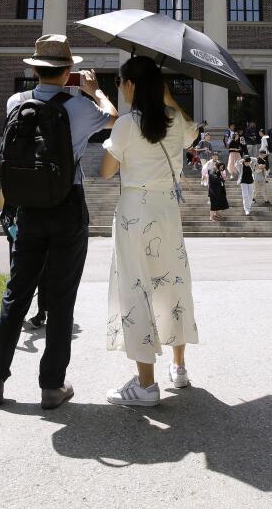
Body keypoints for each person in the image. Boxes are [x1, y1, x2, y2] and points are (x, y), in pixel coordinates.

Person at [0, 34, 117, 411]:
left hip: (27, 208)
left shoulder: (15, 102)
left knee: (16, 292)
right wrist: (95, 90)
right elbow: (114, 119)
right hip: (67, 203)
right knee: (61, 297)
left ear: (34, 69)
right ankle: (52, 386)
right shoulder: (80, 106)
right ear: (68, 71)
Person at [99, 56, 199, 407]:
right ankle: (180, 366)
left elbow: (107, 171)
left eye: (120, 82)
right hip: (167, 211)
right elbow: (192, 134)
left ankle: (145, 385)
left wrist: (115, 148)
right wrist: (170, 98)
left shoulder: (126, 124)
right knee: (172, 282)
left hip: (134, 213)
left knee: (136, 286)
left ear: (130, 86)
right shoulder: (174, 120)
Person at [207, 155, 229, 221]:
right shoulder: (212, 171)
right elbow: (215, 179)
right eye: (221, 166)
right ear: (217, 166)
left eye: (222, 167)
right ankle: (211, 217)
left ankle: (216, 214)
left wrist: (222, 179)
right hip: (213, 191)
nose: (222, 168)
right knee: (213, 205)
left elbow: (220, 180)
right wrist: (222, 179)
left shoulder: (219, 172)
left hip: (218, 191)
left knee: (218, 204)